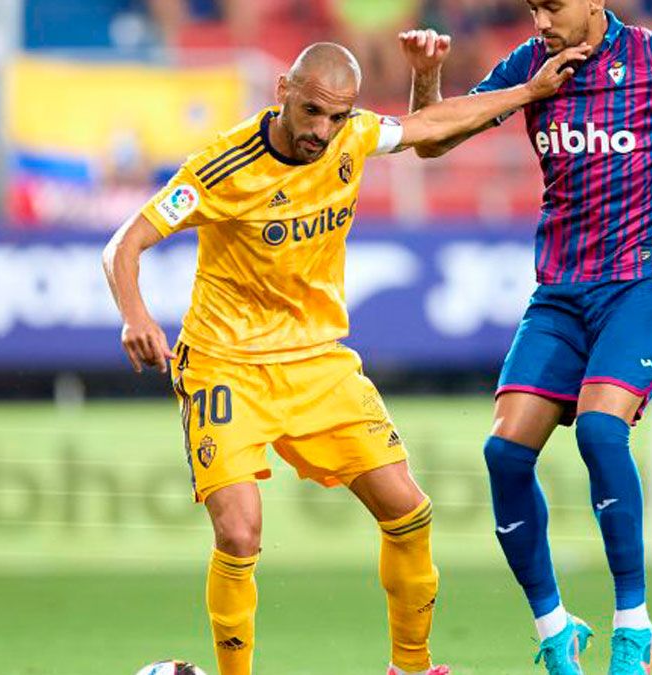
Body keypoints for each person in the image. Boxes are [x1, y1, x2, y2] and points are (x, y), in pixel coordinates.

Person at [102, 40, 589, 675]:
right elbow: (125, 243)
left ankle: (411, 668)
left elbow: (428, 126)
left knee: (408, 510)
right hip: (226, 364)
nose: (323, 130)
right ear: (283, 90)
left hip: (317, 363)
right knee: (239, 532)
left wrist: (528, 92)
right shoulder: (222, 169)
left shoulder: (351, 137)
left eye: (338, 116)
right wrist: (136, 316)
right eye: (312, 112)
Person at [400, 1, 652, 671]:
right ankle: (556, 627)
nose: (540, 21)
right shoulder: (531, 65)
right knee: (503, 454)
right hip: (560, 290)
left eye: (552, 6)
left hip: (645, 281)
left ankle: (634, 628)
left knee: (599, 430)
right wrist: (426, 78)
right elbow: (431, 138)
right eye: (532, 7)